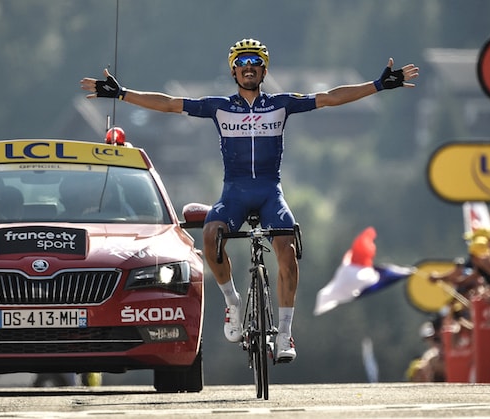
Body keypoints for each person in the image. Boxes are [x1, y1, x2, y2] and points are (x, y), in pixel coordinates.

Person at [80, 38, 419, 362]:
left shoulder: (281, 104)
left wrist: (378, 84)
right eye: (241, 62)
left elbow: (330, 97)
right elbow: (169, 104)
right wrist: (122, 94)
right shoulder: (220, 108)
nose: (249, 67)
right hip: (235, 192)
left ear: (264, 70)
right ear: (233, 71)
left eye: (255, 62)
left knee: (287, 253)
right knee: (211, 235)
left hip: (270, 191)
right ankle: (232, 301)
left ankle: (285, 332)